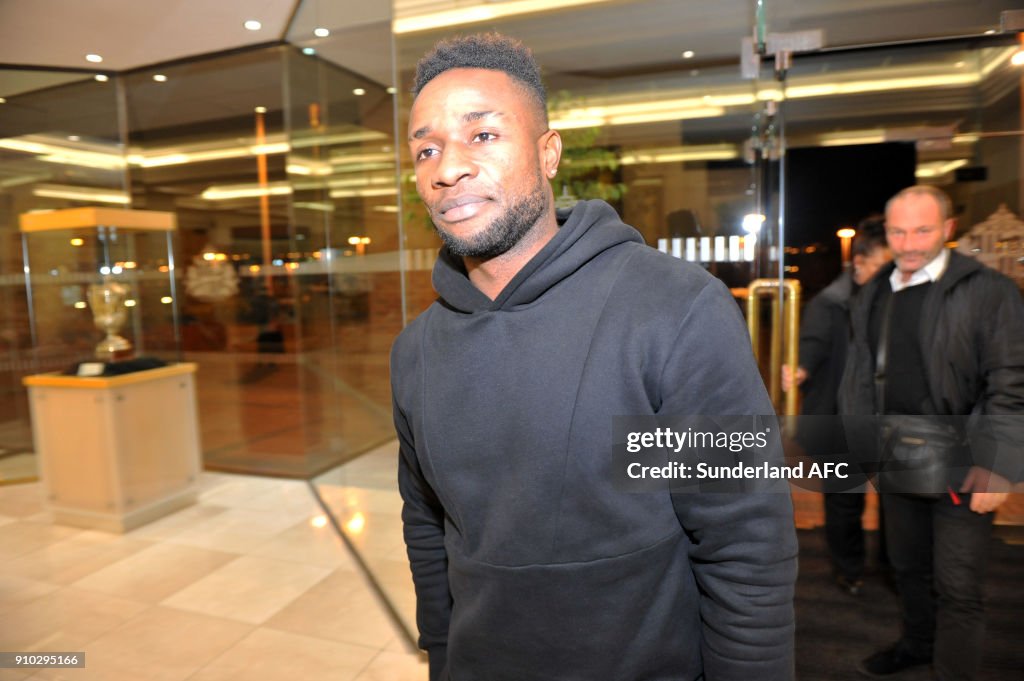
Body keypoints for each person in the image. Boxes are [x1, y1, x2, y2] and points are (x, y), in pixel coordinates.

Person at [391, 33, 797, 681]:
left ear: (549, 153)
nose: (448, 168)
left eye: (484, 135)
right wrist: (440, 654)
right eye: (426, 149)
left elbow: (744, 542)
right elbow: (427, 525)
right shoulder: (415, 350)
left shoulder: (675, 308)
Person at [838, 185, 1024, 680]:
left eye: (922, 229)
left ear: (947, 229)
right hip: (895, 455)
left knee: (958, 585)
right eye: (898, 231)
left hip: (967, 459)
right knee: (907, 568)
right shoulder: (873, 292)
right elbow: (858, 375)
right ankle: (918, 644)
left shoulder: (989, 291)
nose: (910, 242)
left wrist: (1000, 465)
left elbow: (1011, 381)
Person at [783, 217, 891, 596]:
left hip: (888, 416)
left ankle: (893, 569)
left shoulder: (900, 300)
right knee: (844, 501)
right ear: (859, 262)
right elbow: (812, 345)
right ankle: (849, 569)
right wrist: (799, 369)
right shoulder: (831, 303)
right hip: (838, 419)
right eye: (883, 264)